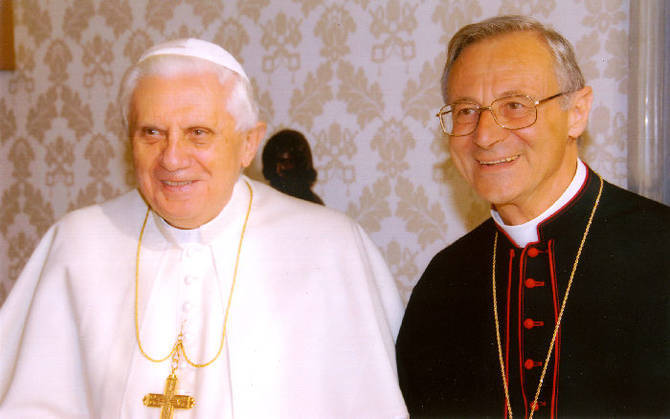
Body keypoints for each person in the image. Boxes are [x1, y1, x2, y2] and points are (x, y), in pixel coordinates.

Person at [0, 38, 408, 418]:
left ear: (249, 143)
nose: (172, 158)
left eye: (198, 133)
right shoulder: (77, 244)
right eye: (152, 133)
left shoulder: (329, 248)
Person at [396, 15, 670, 417]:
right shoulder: (443, 282)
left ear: (577, 113)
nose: (485, 135)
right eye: (466, 110)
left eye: (515, 105)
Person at [262, 129, 324, 205]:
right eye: (272, 164)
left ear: (301, 163)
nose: (278, 170)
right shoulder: (268, 202)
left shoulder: (312, 207)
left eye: (285, 162)